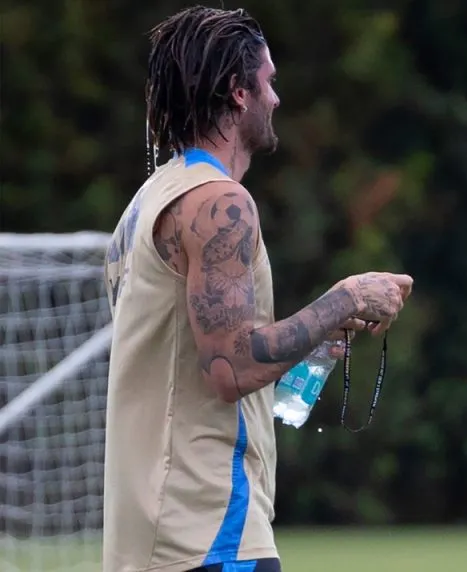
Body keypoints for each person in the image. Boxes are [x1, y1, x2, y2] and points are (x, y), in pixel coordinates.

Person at [101, 6, 413, 572]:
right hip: (206, 528)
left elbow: (190, 363)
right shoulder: (219, 202)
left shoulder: (146, 202)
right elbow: (230, 367)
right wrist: (348, 297)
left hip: (149, 535)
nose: (277, 98)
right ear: (238, 92)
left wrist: (318, 336)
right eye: (268, 81)